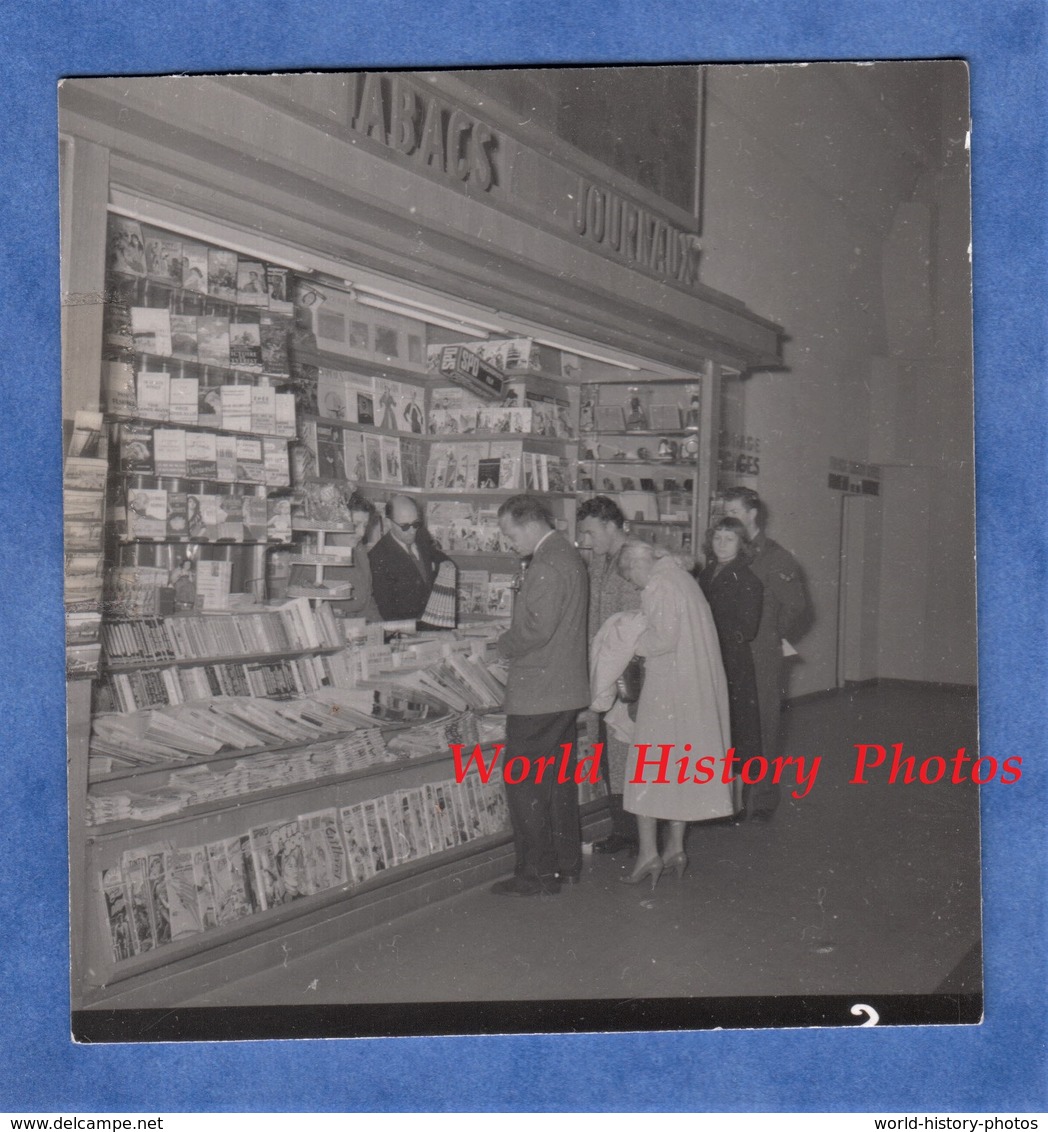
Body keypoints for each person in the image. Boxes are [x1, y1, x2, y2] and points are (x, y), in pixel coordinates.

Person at [616, 540, 733, 889]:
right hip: (692, 689)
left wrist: (628, 642)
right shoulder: (683, 579)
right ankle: (675, 849)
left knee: (647, 769)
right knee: (678, 767)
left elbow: (662, 639)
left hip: (668, 689)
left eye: (631, 579)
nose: (635, 586)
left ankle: (648, 853)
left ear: (637, 566)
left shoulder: (658, 584)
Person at [490, 495, 590, 897]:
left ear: (530, 525)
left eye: (509, 534)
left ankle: (536, 873)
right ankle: (566, 864)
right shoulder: (567, 555)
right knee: (558, 782)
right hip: (564, 691)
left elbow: (535, 629)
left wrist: (501, 646)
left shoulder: (546, 565)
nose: (508, 542)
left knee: (524, 784)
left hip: (539, 694)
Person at [720, 486, 809, 821]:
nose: (727, 517)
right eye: (724, 510)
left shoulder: (775, 557)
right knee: (730, 724)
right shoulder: (728, 549)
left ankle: (762, 799)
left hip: (759, 656)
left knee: (763, 725)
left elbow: (796, 606)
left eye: (734, 510)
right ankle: (732, 799)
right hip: (729, 653)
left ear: (752, 514)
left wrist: (769, 634)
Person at [576, 496, 642, 856]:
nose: (587, 539)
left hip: (629, 670)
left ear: (609, 525)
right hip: (603, 667)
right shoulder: (599, 562)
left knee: (629, 749)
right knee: (609, 751)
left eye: (590, 530)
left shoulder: (633, 560)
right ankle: (624, 829)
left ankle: (640, 830)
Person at [696, 517, 764, 813]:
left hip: (731, 663)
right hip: (707, 658)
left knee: (736, 732)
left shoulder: (748, 579)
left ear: (742, 544)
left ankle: (736, 804)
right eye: (717, 538)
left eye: (730, 539)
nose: (722, 544)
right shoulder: (706, 572)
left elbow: (747, 629)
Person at [368, 494, 451, 623]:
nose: (412, 531)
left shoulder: (420, 534)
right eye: (405, 526)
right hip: (407, 631)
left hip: (435, 621)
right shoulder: (378, 557)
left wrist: (446, 563)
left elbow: (435, 554)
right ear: (388, 523)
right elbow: (388, 613)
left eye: (416, 523)